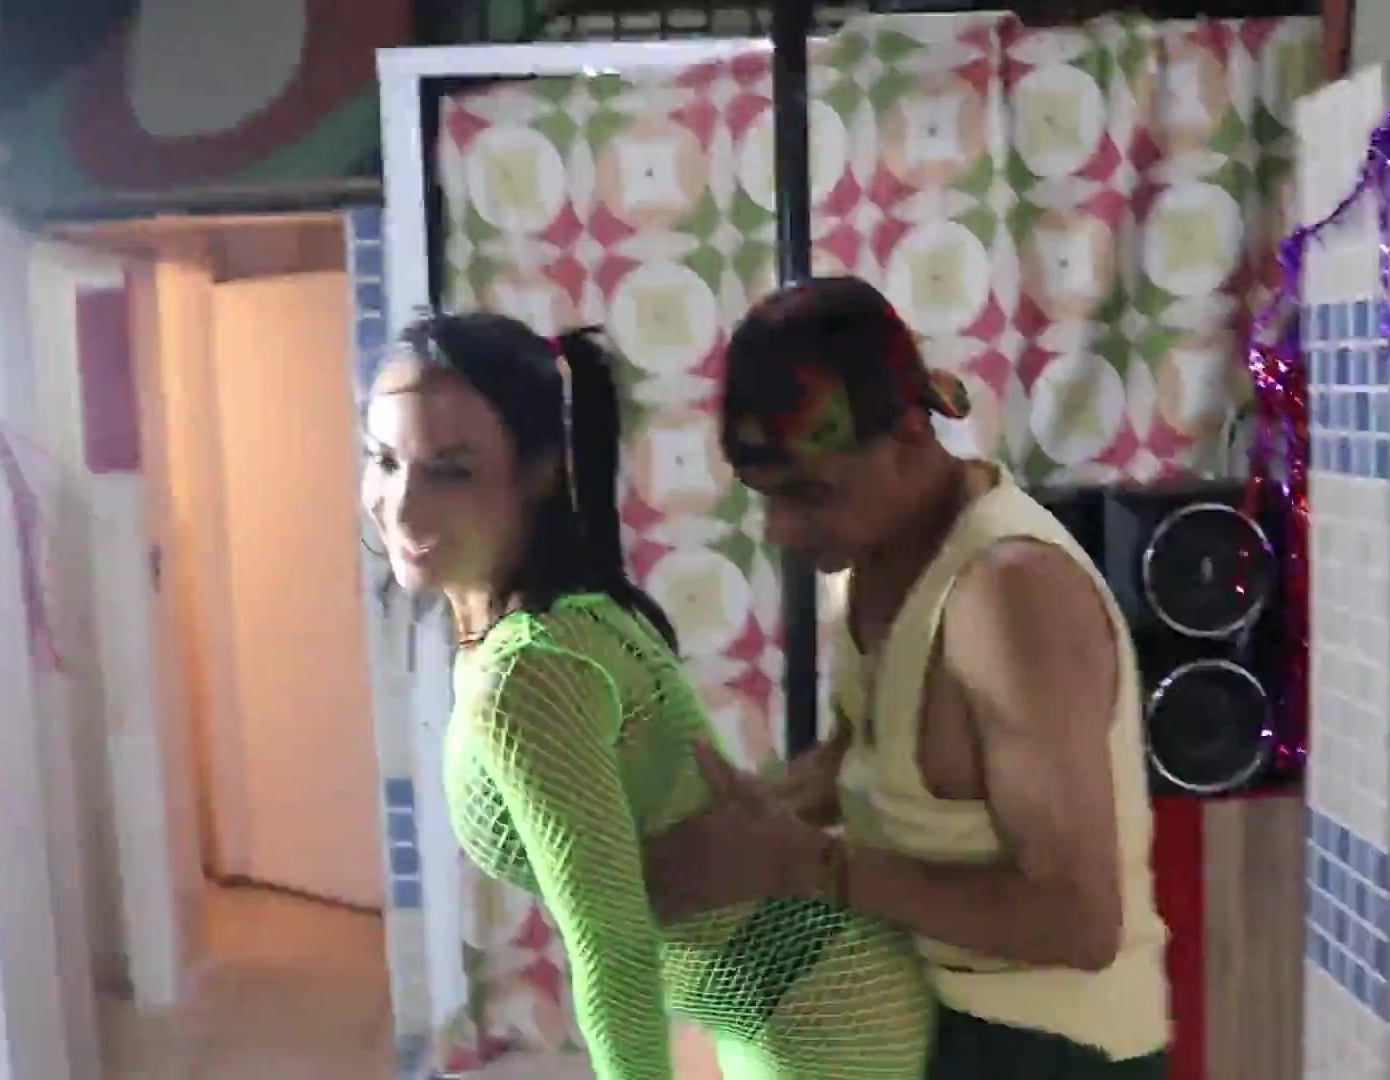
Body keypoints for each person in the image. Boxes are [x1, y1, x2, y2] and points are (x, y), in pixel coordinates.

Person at [359, 310, 934, 1080]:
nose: (401, 506)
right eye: (384, 460)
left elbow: (614, 949)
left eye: (450, 470)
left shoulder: (526, 672)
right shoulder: (580, 614)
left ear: (540, 472)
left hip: (816, 1019)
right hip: (805, 995)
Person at [642, 277, 1170, 1079]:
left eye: (810, 494)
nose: (781, 529)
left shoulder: (1008, 595)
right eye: (766, 498)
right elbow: (864, 756)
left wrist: (808, 867)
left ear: (910, 437)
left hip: (1052, 1051)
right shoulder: (875, 557)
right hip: (935, 1017)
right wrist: (736, 819)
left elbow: (1080, 922)